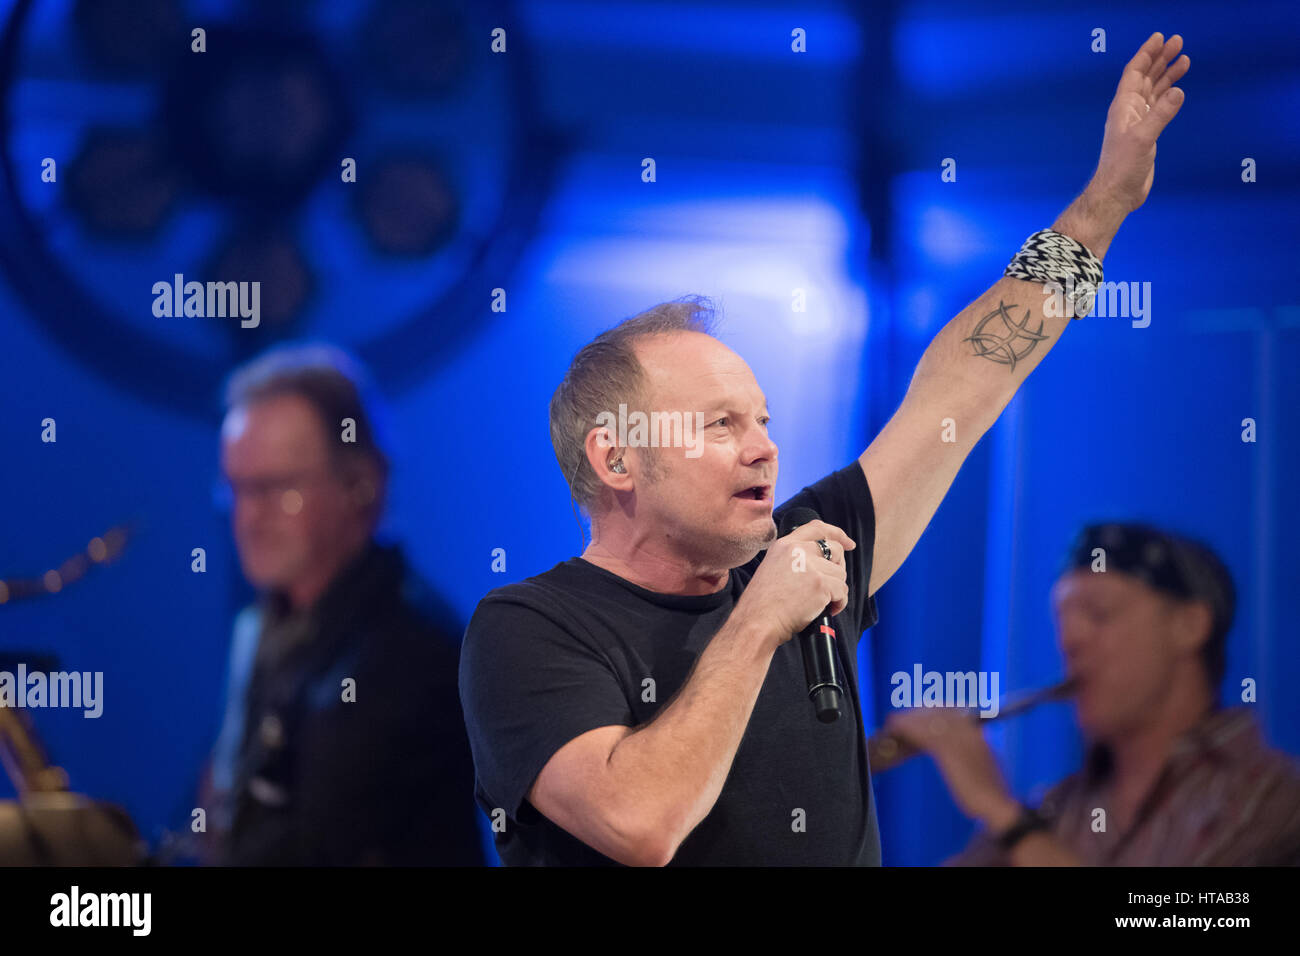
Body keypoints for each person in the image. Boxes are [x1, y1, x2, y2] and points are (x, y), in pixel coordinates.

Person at [459, 33, 1194, 866]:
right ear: (616, 458)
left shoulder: (809, 551)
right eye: (720, 425)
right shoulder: (527, 630)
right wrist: (759, 625)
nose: (764, 450)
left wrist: (1103, 204)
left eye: (764, 420)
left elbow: (966, 385)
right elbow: (640, 822)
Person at [203, 343, 483, 866]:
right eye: (237, 490)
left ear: (362, 485)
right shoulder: (266, 628)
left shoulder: (415, 649)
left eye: (275, 488)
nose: (248, 517)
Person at [885, 522, 1300, 866]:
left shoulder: (1271, 799)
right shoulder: (1058, 807)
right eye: (1063, 621)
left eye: (1100, 615)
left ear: (1189, 625)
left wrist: (998, 809)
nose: (1070, 641)